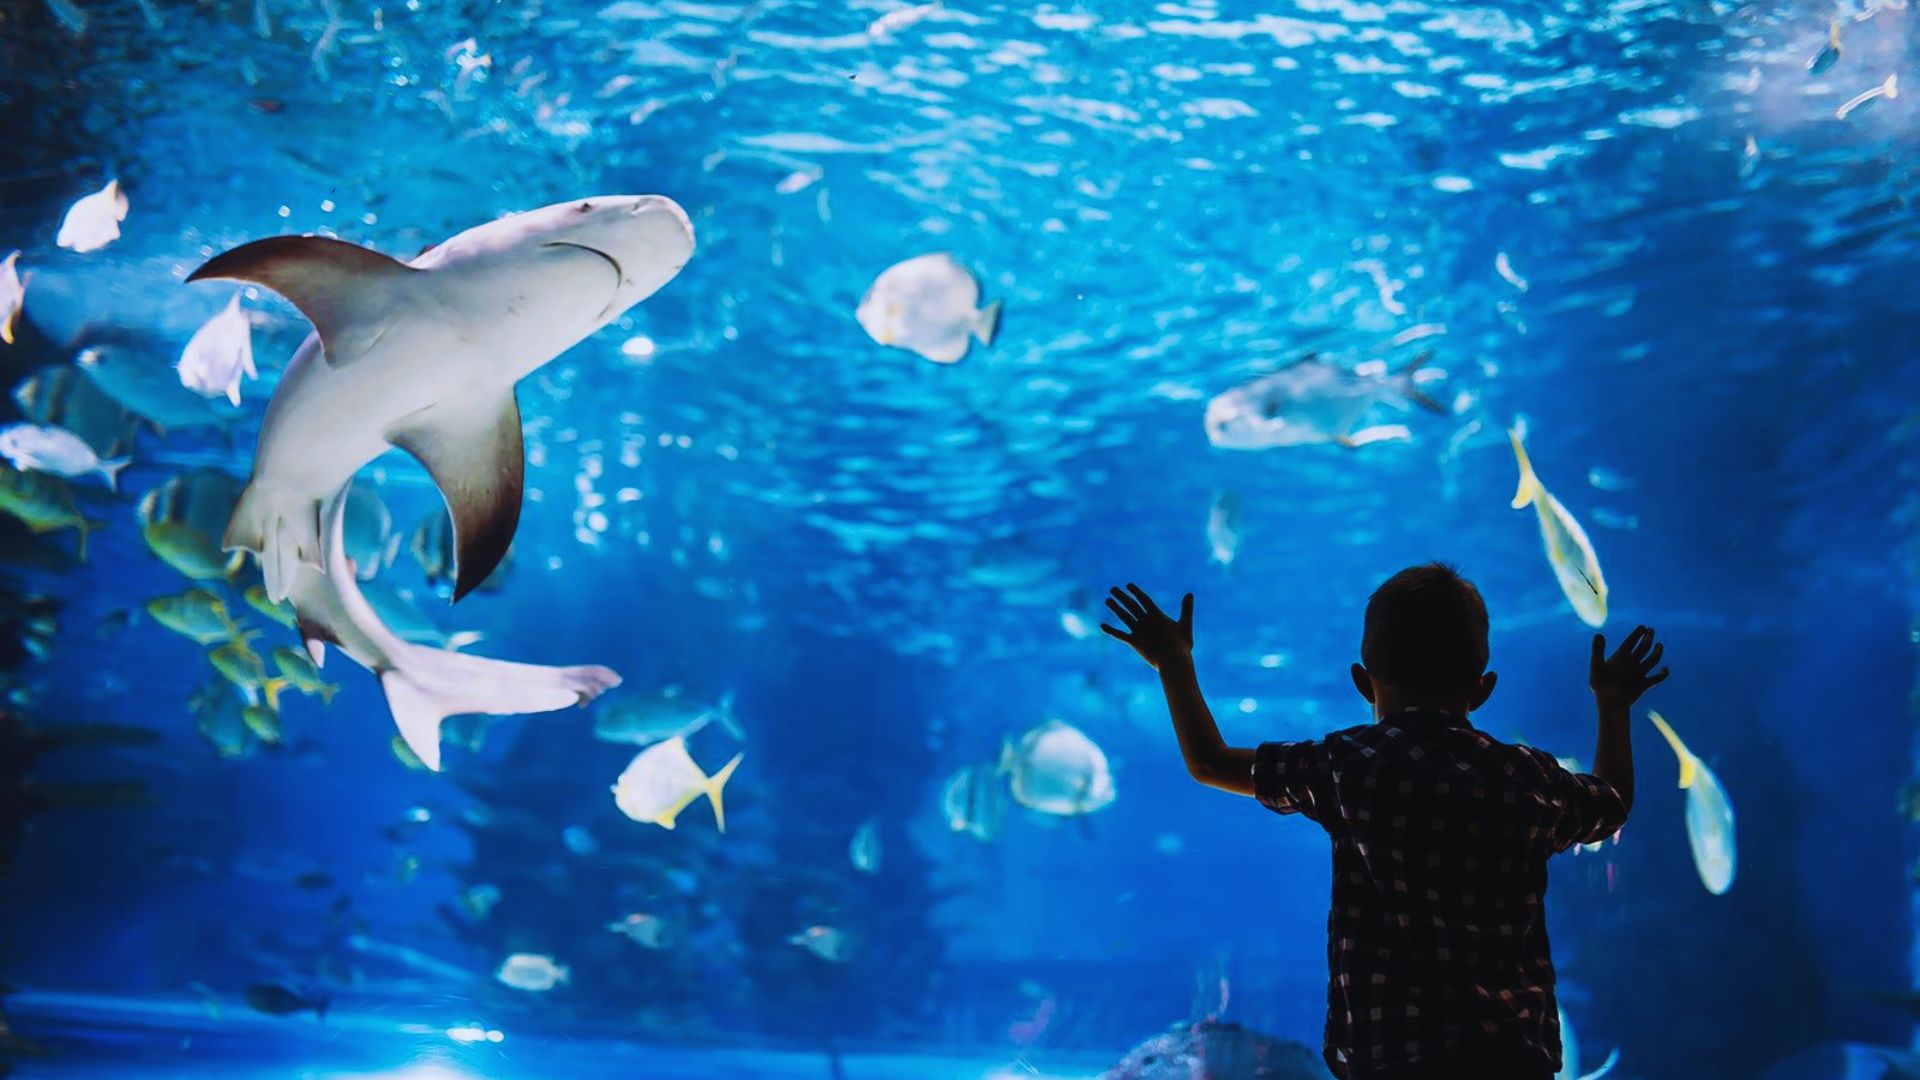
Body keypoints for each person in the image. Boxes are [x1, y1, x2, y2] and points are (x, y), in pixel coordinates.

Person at [1100, 564, 1668, 1080]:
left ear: (1362, 681)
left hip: (1389, 1055)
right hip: (1510, 1057)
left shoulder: (1348, 767)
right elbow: (1612, 803)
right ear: (1483, 688)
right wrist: (1613, 704)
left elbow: (1209, 761)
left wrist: (1174, 661)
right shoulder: (1526, 778)